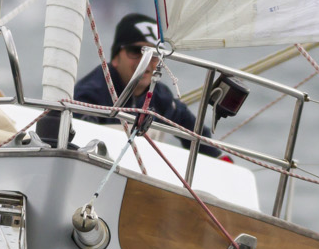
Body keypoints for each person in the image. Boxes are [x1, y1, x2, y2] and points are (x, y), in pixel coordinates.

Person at [72, 13, 223, 157]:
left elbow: (194, 133)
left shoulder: (161, 97)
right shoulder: (90, 95)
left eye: (154, 55)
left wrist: (219, 159)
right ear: (116, 58)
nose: (145, 61)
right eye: (136, 51)